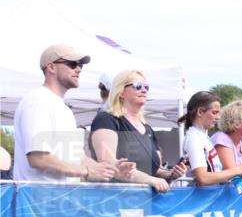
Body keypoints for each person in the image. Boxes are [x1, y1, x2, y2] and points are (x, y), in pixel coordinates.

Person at [14, 43, 125, 185]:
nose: (78, 69)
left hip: (58, 200)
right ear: (51, 67)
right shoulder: (38, 102)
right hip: (38, 201)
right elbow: (39, 158)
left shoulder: (62, 108)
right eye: (72, 64)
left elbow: (76, 157)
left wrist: (111, 169)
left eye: (80, 65)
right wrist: (87, 171)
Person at [90, 70, 184, 193]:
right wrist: (150, 180)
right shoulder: (106, 119)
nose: (144, 90)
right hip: (115, 199)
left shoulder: (147, 128)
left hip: (145, 201)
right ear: (121, 92)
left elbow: (154, 168)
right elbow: (108, 165)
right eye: (137, 86)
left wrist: (169, 174)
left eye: (146, 87)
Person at [179, 91, 242, 186]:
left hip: (210, 197)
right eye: (214, 113)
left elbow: (214, 173)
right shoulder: (194, 138)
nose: (218, 117)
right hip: (202, 199)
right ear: (200, 112)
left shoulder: (202, 137)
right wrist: (237, 170)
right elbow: (203, 178)